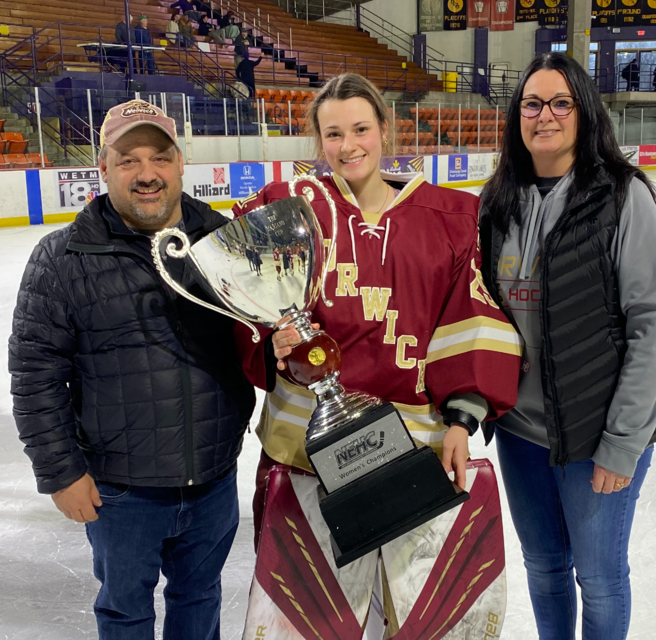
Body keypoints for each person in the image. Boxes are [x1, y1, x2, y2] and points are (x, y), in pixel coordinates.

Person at [234, 72, 521, 639]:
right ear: (319, 142)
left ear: (385, 130)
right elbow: (244, 314)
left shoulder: (450, 219)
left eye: (361, 128)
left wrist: (465, 419)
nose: (349, 146)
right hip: (306, 455)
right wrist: (270, 341)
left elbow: (470, 319)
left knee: (420, 620)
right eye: (334, 134)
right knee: (309, 622)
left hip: (420, 455)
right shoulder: (288, 211)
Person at [9, 100, 257, 639]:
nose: (147, 174)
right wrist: (60, 472)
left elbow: (257, 342)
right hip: (120, 490)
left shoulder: (224, 242)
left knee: (200, 598)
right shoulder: (62, 257)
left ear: (181, 163)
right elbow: (34, 374)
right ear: (102, 168)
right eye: (129, 160)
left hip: (212, 476)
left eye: (160, 157)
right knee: (124, 611)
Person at [478, 52, 656, 640]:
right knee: (543, 568)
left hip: (598, 435)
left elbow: (655, 326)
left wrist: (622, 443)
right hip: (520, 433)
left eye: (560, 102)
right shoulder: (498, 203)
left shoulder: (621, 197)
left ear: (584, 112)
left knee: (599, 577)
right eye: (532, 103)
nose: (545, 115)